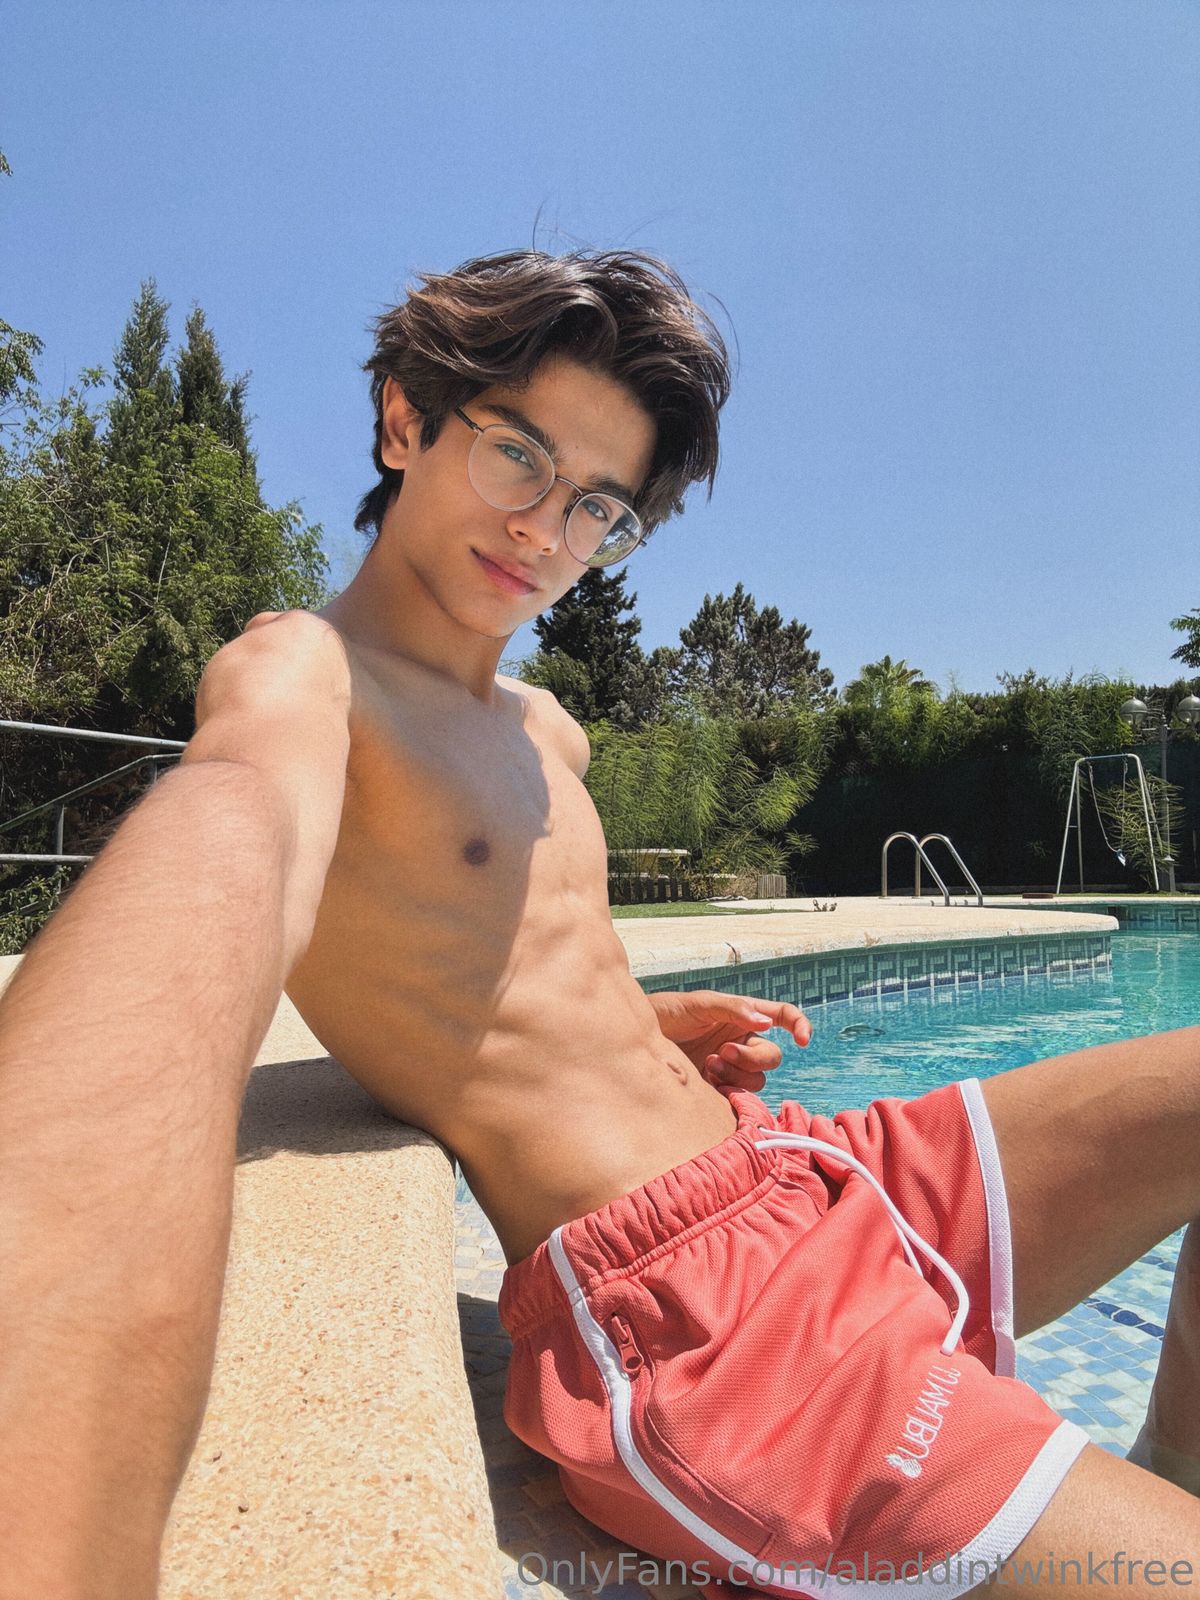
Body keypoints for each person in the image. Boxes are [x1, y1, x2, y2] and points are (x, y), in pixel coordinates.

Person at [1, 248, 1197, 1600]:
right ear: (403, 421)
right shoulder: (308, 679)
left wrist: (645, 1021)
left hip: (805, 1166)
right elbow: (227, 841)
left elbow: (504, 971)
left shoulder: (547, 731)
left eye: (597, 508)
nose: (545, 533)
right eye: (518, 455)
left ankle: (1170, 1458)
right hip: (699, 1316)